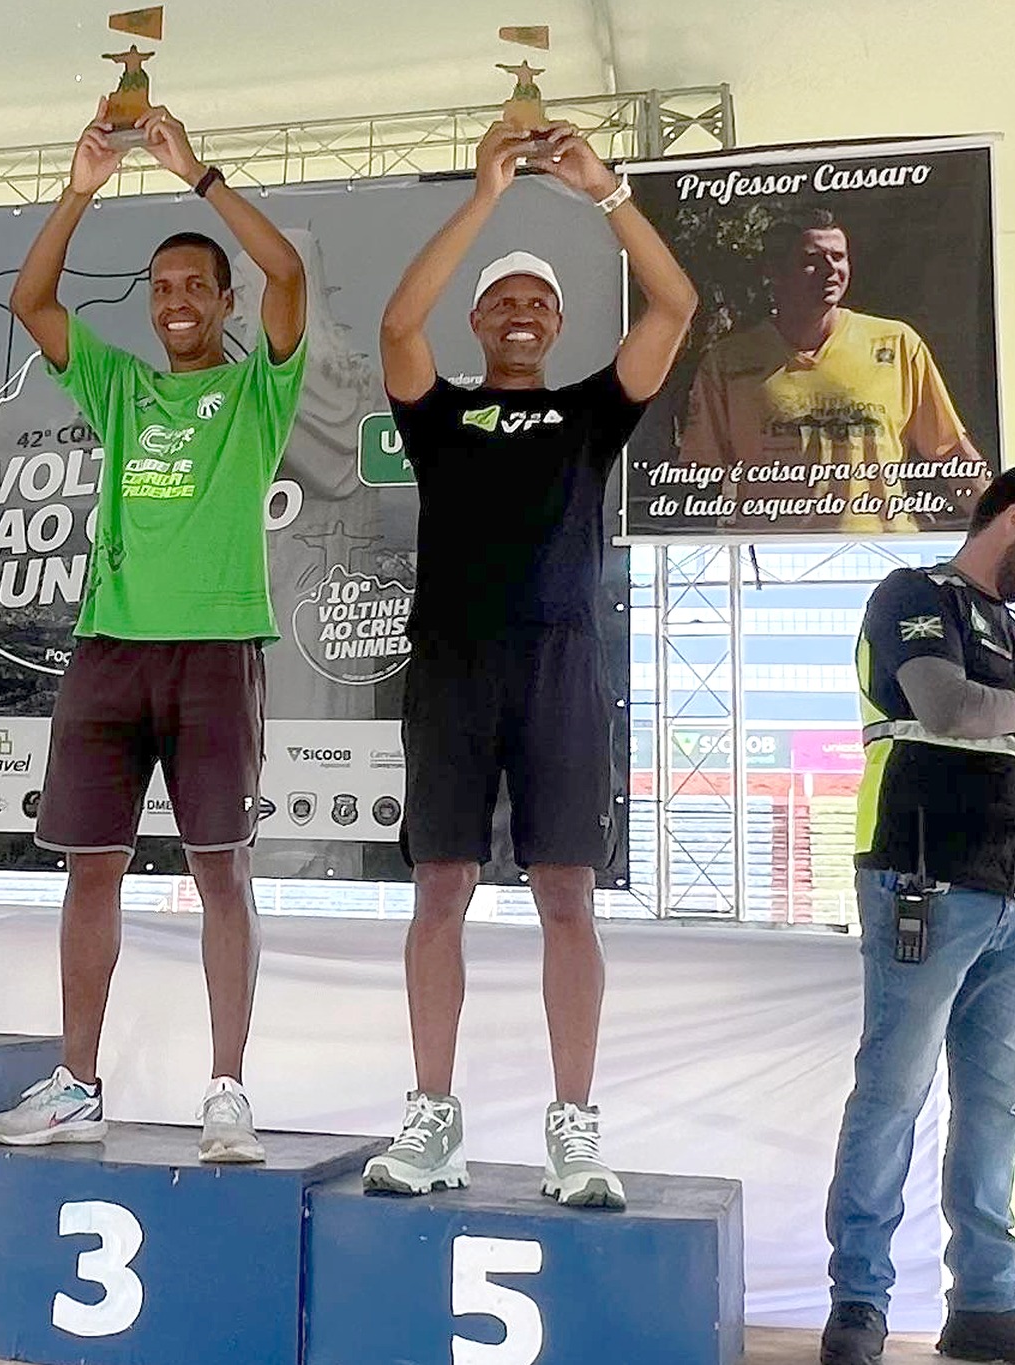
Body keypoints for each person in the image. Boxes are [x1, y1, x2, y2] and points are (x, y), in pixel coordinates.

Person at [359, 122, 696, 1206]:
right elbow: (395, 322)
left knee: (565, 897)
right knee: (438, 889)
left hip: (559, 667)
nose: (518, 311)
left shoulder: (588, 412)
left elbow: (675, 307)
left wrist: (605, 195)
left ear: (556, 322)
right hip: (451, 666)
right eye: (501, 298)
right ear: (479, 318)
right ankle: (429, 1122)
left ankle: (574, 1132)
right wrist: (482, 199)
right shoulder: (442, 413)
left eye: (537, 302)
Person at [0, 100, 307, 1163]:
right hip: (110, 647)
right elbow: (29, 301)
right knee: (91, 869)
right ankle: (78, 1084)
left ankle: (227, 1094)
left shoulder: (259, 388)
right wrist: (80, 183)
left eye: (192, 287)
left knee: (220, 872)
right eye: (159, 288)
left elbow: (290, 279)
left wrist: (195, 173)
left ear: (221, 303)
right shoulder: (119, 385)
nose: (173, 301)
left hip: (215, 650)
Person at [820, 469, 1015, 1365]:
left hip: (1011, 890)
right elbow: (951, 705)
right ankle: (859, 1299)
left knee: (996, 1105)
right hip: (922, 876)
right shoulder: (913, 593)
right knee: (894, 1091)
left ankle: (987, 1301)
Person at [677, 208, 990, 534]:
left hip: (886, 554)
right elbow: (702, 477)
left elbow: (952, 452)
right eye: (812, 259)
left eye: (838, 257)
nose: (831, 270)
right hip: (773, 560)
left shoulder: (897, 343)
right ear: (774, 270)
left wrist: (1000, 529)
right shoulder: (729, 361)